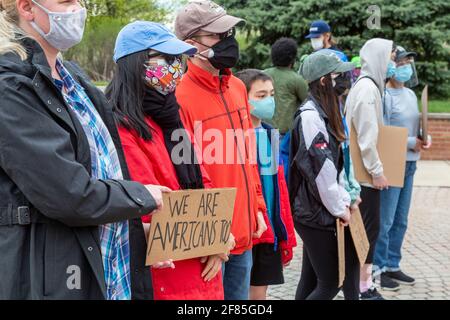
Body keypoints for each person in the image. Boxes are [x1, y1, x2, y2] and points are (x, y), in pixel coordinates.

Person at [0, 0, 167, 300]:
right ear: (27, 8)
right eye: (66, 2)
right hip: (57, 279)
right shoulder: (11, 87)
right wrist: (142, 195)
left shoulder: (74, 81)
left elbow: (106, 171)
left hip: (110, 269)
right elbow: (68, 194)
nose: (78, 9)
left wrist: (135, 238)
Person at [106, 21, 232, 300]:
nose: (177, 66)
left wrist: (219, 233)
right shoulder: (122, 128)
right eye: (167, 58)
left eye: (179, 59)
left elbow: (203, 181)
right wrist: (213, 236)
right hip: (166, 277)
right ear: (136, 63)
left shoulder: (171, 117)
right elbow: (150, 206)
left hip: (204, 273)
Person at [174, 0, 268, 300]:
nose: (229, 41)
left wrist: (257, 207)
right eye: (218, 35)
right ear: (192, 45)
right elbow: (185, 175)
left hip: (244, 232)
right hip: (211, 245)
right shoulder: (178, 95)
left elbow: (247, 156)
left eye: (229, 32)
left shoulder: (238, 87)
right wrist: (209, 236)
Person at [289, 51, 360, 300]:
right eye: (339, 75)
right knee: (330, 282)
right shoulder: (311, 116)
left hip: (316, 209)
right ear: (323, 81)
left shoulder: (323, 111)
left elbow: (334, 168)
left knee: (311, 280)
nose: (346, 79)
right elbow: (321, 172)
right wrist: (341, 208)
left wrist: (345, 198)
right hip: (313, 212)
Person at [235, 69, 297, 300]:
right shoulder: (234, 136)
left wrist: (283, 230)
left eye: (271, 94)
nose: (269, 101)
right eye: (260, 96)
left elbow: (278, 186)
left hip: (269, 226)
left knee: (260, 294)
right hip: (247, 228)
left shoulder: (271, 133)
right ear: (243, 98)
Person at [374, 45, 431, 291]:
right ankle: (378, 268)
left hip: (410, 163)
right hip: (392, 162)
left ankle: (392, 263)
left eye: (409, 62)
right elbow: (383, 132)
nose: (406, 67)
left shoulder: (409, 94)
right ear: (390, 67)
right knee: (385, 220)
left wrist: (423, 138)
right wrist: (411, 142)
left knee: (401, 219)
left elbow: (416, 123)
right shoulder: (384, 97)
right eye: (402, 63)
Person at [345, 38, 396, 300]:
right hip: (364, 177)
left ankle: (360, 284)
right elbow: (366, 137)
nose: (392, 64)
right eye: (389, 58)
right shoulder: (367, 90)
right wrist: (377, 171)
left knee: (367, 231)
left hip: (362, 174)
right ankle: (362, 287)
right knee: (366, 232)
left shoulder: (369, 87)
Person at [264, 38, 308, 182]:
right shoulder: (296, 79)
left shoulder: (263, 75)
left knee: (266, 175)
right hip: (285, 138)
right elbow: (308, 102)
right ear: (293, 58)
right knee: (283, 177)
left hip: (263, 133)